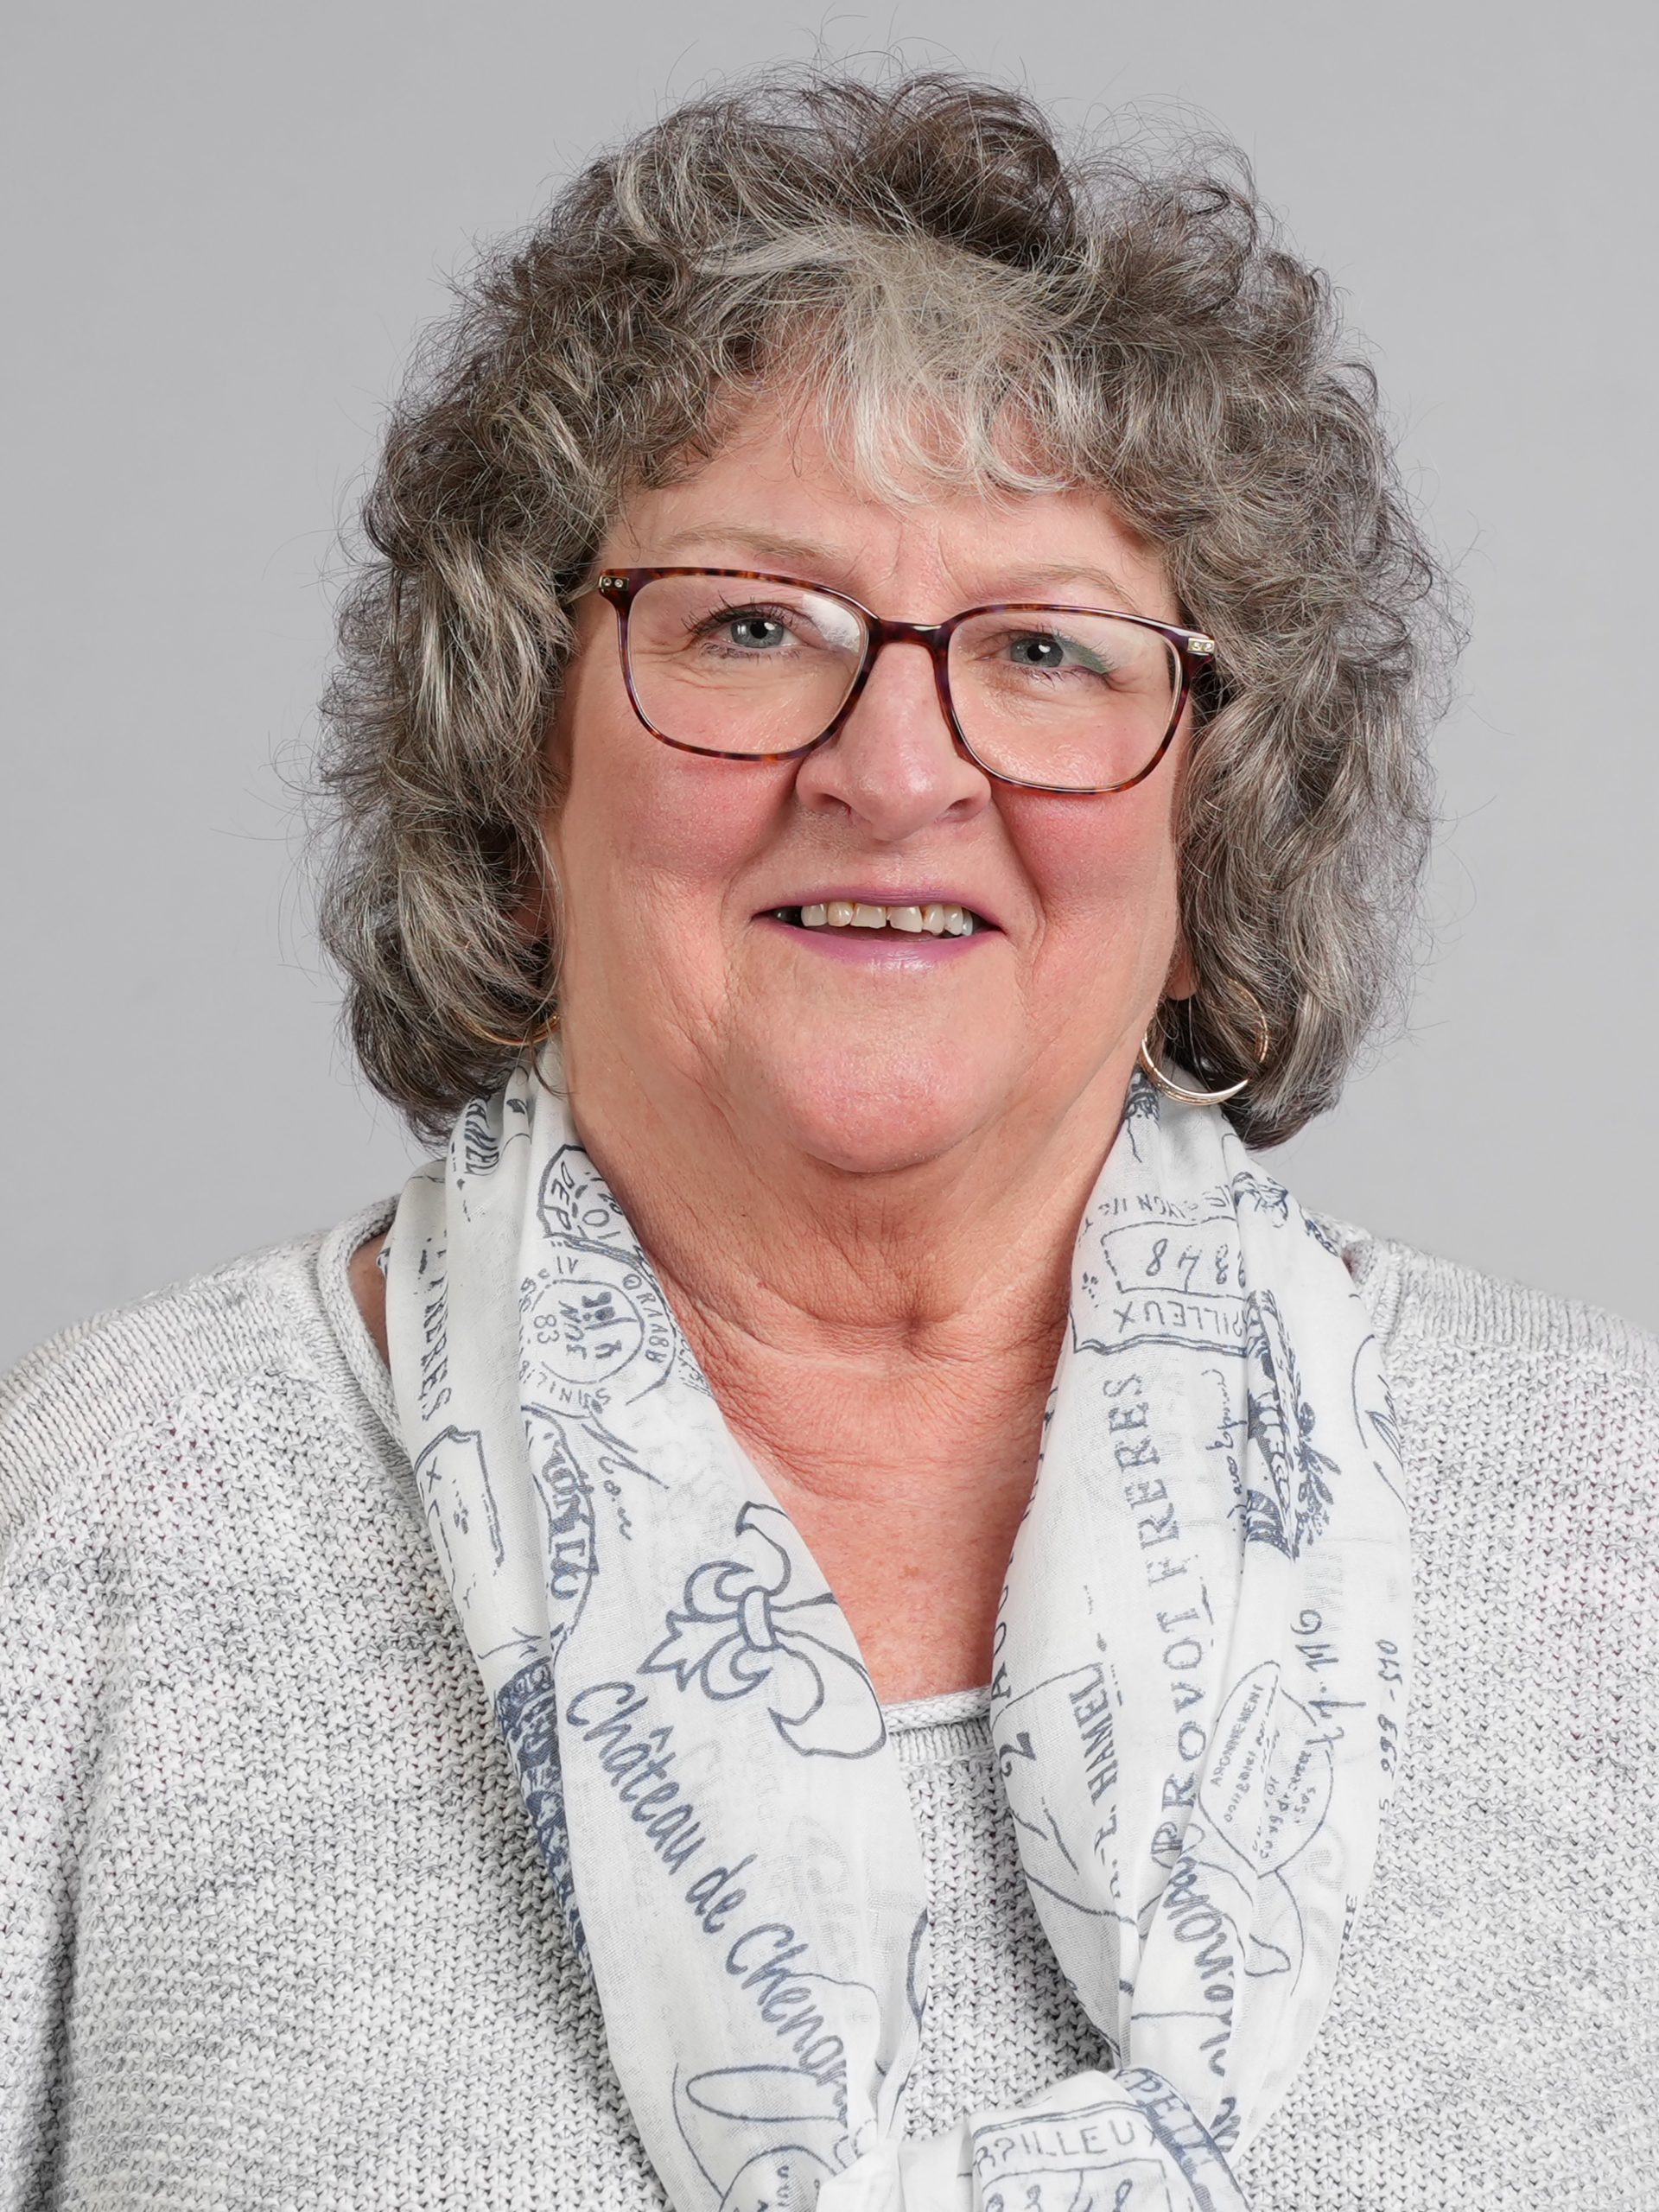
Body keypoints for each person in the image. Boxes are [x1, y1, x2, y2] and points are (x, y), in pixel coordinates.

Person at [3, 68, 1655, 2212]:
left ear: (1214, 824)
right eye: (751, 626)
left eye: (1045, 648)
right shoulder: (110, 1528)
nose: (895, 769)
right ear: (522, 769)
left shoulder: (1614, 1528)